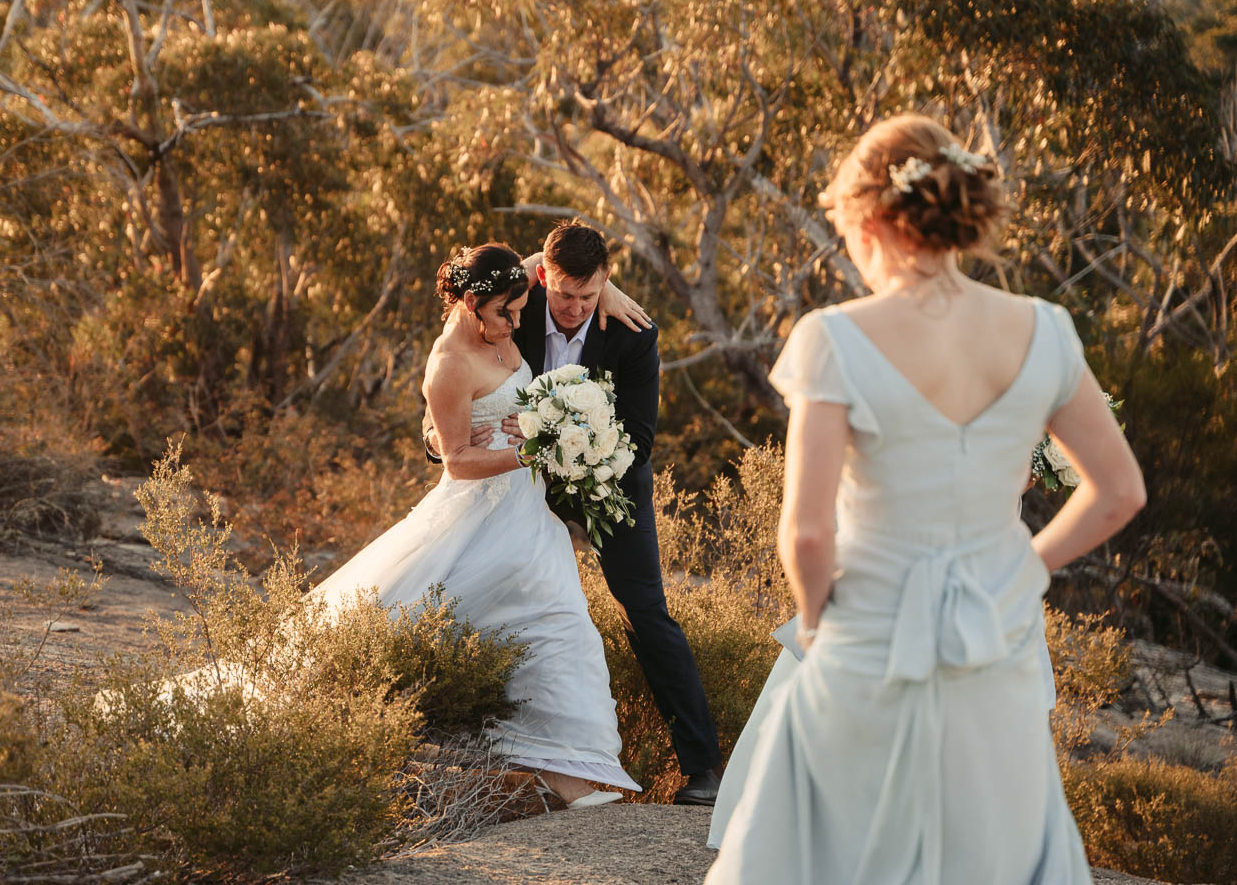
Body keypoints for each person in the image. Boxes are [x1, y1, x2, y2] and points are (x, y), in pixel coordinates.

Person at [704, 114, 1146, 883]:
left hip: (868, 638)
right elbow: (1119, 492)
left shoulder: (833, 338)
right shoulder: (1047, 330)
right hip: (995, 637)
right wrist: (1015, 570)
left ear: (873, 218)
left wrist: (817, 627)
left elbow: (806, 535)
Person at [312, 242, 637, 807]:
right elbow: (457, 461)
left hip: (527, 512)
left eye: (518, 309)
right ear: (470, 302)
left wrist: (603, 286)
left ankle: (567, 777)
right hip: (480, 513)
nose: (515, 324)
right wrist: (539, 448)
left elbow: (551, 258)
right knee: (504, 625)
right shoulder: (448, 365)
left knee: (560, 630)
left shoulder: (504, 304)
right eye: (503, 315)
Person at [431, 222, 725, 805]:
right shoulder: (515, 302)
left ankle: (704, 769)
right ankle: (484, 740)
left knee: (644, 608)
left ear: (606, 284)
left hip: (606, 479)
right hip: (513, 478)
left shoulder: (634, 334)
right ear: (544, 276)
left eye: (588, 297)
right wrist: (452, 442)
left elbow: (639, 440)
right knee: (484, 592)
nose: (573, 308)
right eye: (564, 295)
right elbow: (456, 368)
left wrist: (565, 436)